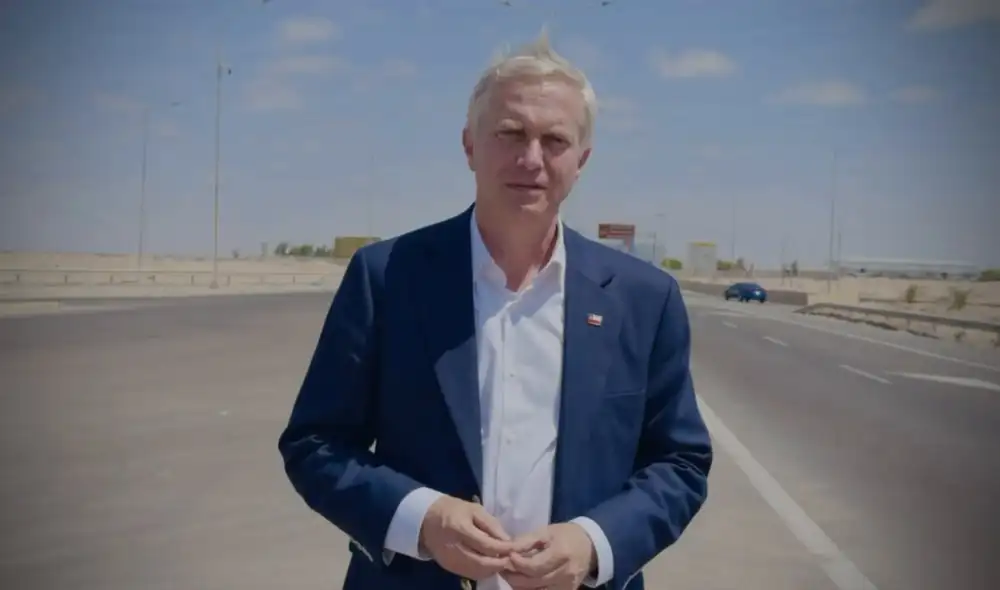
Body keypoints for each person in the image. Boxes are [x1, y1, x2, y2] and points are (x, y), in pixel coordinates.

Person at [277, 30, 713, 590]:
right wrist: (422, 519)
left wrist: (593, 543)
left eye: (554, 140)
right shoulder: (387, 277)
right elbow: (315, 444)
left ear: (581, 160)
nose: (531, 158)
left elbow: (680, 462)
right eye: (510, 133)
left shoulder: (643, 298)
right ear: (469, 146)